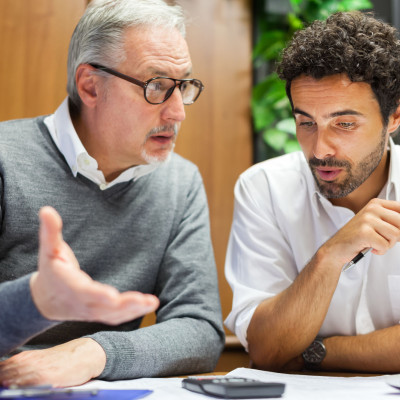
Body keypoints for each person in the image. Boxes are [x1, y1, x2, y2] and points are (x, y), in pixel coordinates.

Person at [0, 0, 224, 388]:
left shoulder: (179, 182)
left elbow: (200, 328)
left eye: (183, 85)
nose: (178, 113)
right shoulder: (5, 159)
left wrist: (93, 353)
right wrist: (36, 298)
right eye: (156, 86)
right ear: (90, 85)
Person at [225, 11, 400, 374]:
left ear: (394, 117)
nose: (320, 149)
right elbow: (267, 349)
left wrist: (316, 351)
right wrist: (331, 255)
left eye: (344, 123)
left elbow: (284, 353)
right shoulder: (265, 189)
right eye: (306, 122)